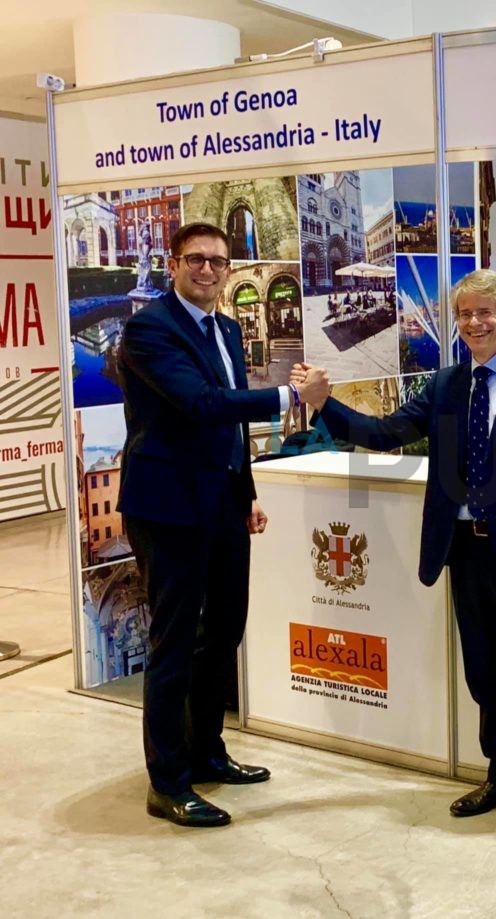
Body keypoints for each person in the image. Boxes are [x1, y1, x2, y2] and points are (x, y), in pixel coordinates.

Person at [295, 268, 496, 834]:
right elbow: (384, 433)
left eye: (485, 312)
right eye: (465, 314)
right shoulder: (446, 385)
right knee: (486, 673)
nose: (475, 323)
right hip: (464, 552)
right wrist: (324, 402)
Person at [117, 222, 329, 829]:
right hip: (168, 508)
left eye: (217, 261)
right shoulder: (150, 329)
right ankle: (167, 782)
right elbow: (202, 404)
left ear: (228, 268)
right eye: (196, 259)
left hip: (223, 504)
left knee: (225, 630)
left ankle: (207, 750)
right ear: (173, 264)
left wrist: (247, 491)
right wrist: (292, 398)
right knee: (175, 642)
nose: (207, 269)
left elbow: (231, 429)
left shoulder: (228, 328)